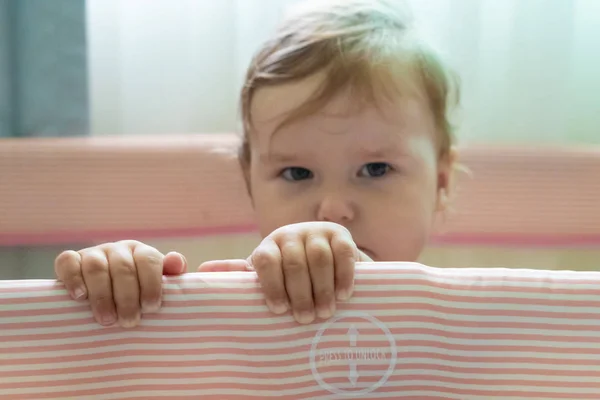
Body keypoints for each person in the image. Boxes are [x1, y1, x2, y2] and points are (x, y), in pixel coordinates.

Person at [54, 0, 459, 328]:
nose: (333, 211)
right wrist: (121, 287)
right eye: (297, 173)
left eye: (376, 169)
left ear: (441, 184)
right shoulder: (226, 308)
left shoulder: (467, 329)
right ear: (250, 185)